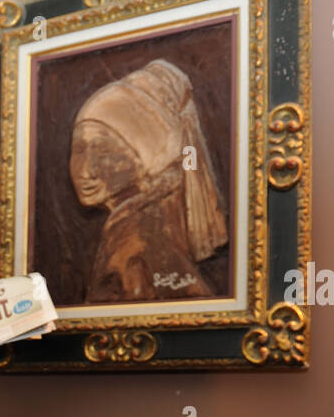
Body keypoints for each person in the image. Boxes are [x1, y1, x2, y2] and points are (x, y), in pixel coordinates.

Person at [69, 58, 228, 304]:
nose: (86, 170)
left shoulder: (136, 245)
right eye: (79, 151)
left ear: (146, 161)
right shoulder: (141, 227)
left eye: (104, 153)